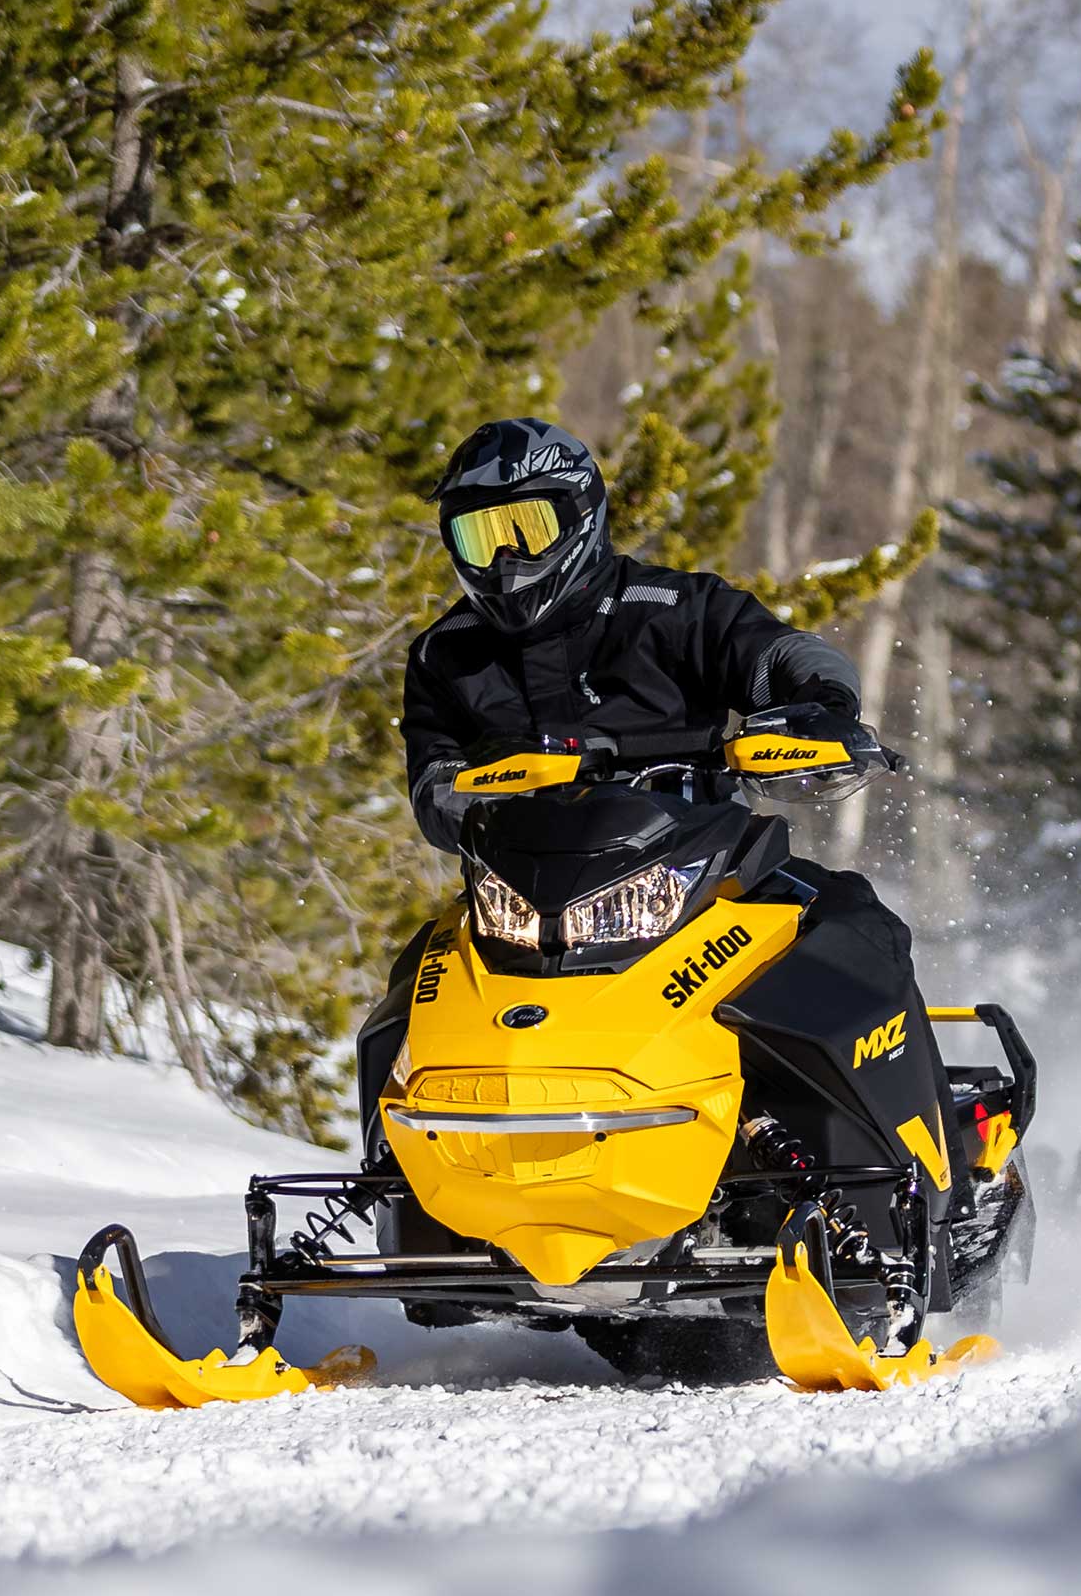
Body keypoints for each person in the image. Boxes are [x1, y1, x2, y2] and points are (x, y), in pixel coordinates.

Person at [363, 418, 896, 1140]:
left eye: (526, 526)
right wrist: (471, 788)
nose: (507, 557)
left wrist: (821, 708)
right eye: (481, 536)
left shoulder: (675, 609)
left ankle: (903, 1175)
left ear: (580, 515)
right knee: (413, 986)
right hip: (524, 890)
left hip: (697, 870)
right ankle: (395, 1178)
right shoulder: (445, 655)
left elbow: (779, 654)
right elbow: (434, 786)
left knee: (853, 925)